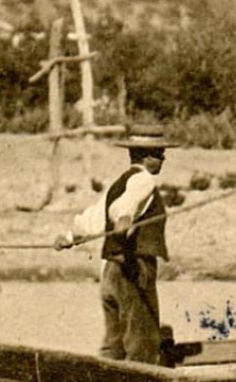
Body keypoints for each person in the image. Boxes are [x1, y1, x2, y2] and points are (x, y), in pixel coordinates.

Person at [55, 126, 178, 365]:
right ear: (145, 156)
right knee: (142, 338)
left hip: (111, 272)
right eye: (159, 154)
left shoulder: (118, 183)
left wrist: (70, 237)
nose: (163, 159)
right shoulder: (144, 180)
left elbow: (94, 218)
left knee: (114, 341)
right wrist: (124, 217)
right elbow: (125, 205)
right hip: (134, 270)